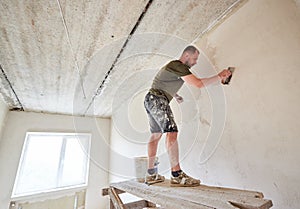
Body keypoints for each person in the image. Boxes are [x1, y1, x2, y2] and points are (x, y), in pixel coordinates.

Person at [143, 45, 231, 187]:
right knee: (172, 132)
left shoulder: (174, 69)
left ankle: (151, 174)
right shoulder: (178, 65)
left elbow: (162, 82)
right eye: (194, 59)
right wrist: (220, 76)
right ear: (186, 56)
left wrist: (175, 95)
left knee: (156, 135)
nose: (195, 62)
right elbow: (198, 84)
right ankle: (176, 174)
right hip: (157, 99)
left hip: (150, 99)